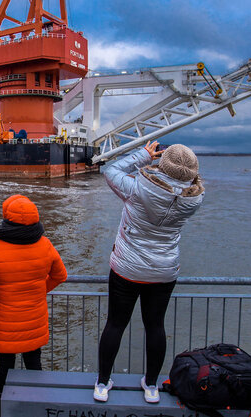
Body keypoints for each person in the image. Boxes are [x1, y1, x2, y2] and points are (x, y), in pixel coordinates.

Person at [95, 141, 204, 403]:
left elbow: (110, 170)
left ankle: (101, 384)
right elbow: (184, 182)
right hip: (164, 271)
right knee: (155, 326)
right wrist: (184, 172)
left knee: (115, 324)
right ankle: (152, 386)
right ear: (191, 172)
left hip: (127, 268)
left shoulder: (137, 189)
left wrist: (143, 156)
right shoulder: (195, 198)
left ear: (162, 164)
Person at [0, 195, 67, 417]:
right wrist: (39, 290)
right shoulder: (45, 245)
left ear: (7, 219)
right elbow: (60, 275)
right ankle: (37, 410)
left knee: (4, 368)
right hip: (34, 319)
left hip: (5, 321)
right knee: (34, 366)